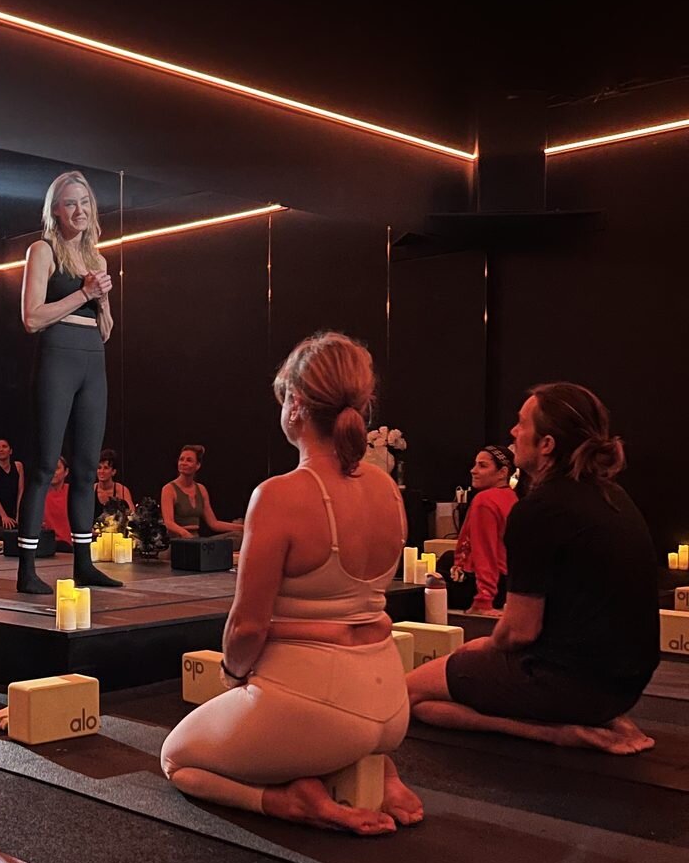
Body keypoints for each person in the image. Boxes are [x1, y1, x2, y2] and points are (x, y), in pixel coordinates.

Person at [160, 332, 421, 836]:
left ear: (296, 404)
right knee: (316, 729)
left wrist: (233, 681)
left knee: (177, 759)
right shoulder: (388, 488)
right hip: (391, 704)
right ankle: (377, 766)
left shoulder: (279, 495)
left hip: (318, 708)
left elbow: (247, 628)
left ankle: (287, 801)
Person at [408, 383, 660, 755]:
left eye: (521, 423)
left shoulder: (539, 509)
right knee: (434, 701)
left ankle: (553, 732)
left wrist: (481, 648)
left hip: (569, 685)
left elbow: (518, 633)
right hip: (625, 686)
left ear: (546, 444)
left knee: (409, 694)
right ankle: (571, 720)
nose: (513, 432)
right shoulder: (615, 497)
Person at [15, 171, 119, 594]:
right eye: (70, 203)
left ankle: (83, 564)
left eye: (85, 203)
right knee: (43, 467)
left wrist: (103, 297)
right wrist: (83, 294)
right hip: (57, 357)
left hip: (93, 360)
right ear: (55, 210)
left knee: (87, 469)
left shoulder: (99, 260)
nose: (79, 210)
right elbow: (32, 318)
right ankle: (26, 570)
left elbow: (107, 328)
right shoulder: (41, 251)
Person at [445, 444, 516, 613]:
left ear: (503, 472)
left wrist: (484, 599)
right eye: (475, 464)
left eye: (482, 465)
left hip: (484, 587)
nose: (473, 470)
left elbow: (485, 552)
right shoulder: (512, 497)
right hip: (508, 585)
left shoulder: (485, 500)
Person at [161, 445, 244, 544]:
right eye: (181, 459)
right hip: (178, 541)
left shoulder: (201, 489)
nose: (183, 463)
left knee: (239, 536)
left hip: (197, 540)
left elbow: (213, 523)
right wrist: (185, 533)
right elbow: (169, 522)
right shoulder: (169, 489)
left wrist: (243, 527)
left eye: (189, 460)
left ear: (198, 465)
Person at [0, 438, 25, 530]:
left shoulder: (18, 466)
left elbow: (20, 491)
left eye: (4, 447)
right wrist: (4, 516)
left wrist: (18, 514)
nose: (1, 449)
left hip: (13, 511)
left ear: (10, 451)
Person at [94, 449, 134, 527]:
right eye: (99, 467)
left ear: (113, 472)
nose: (101, 471)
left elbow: (132, 514)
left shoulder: (121, 490)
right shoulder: (91, 490)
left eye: (106, 468)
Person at [42, 456, 73, 550]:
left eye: (57, 468)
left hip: (70, 548)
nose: (53, 472)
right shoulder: (40, 494)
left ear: (66, 471)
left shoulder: (73, 492)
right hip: (47, 547)